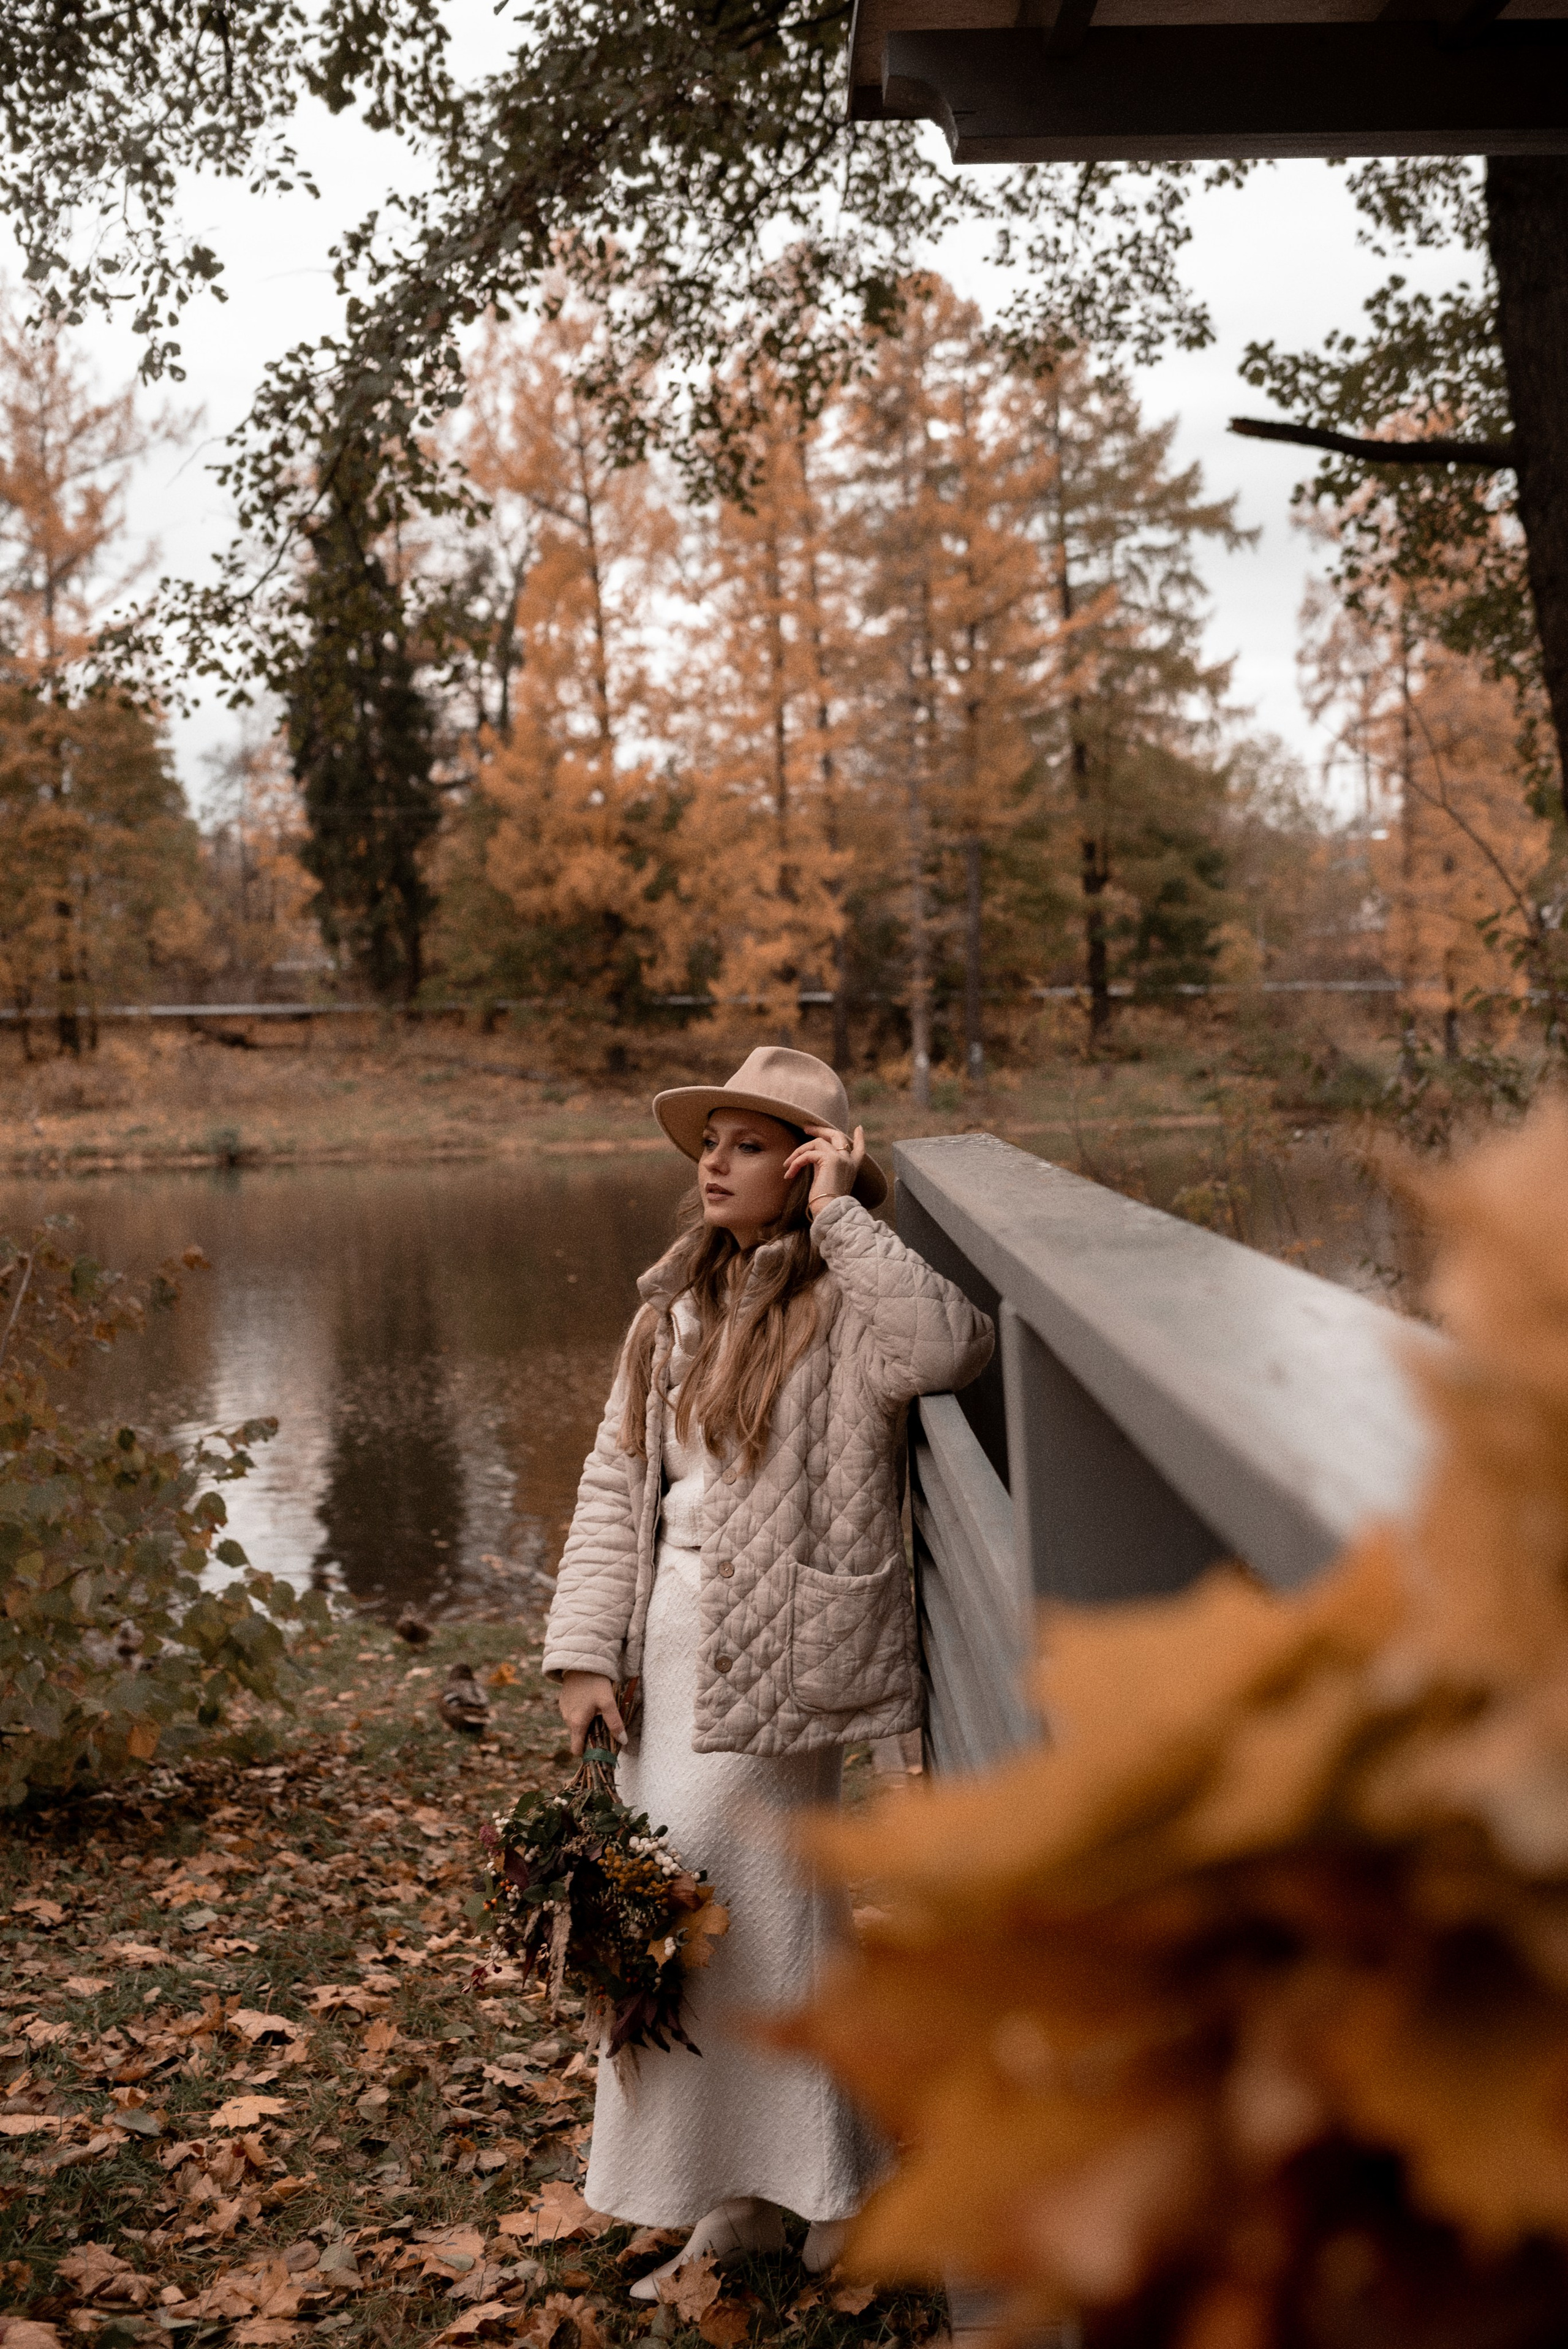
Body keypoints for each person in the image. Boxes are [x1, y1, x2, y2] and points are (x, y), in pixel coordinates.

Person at [542, 1046, 994, 2294]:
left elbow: (950, 1346)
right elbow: (614, 1482)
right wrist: (584, 1651)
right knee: (690, 1918)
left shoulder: (846, 1298)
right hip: (667, 1644)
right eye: (711, 1142)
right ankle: (741, 2201)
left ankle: (829, 2191)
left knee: (753, 1917)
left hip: (786, 1652)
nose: (715, 1163)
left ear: (805, 1165)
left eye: (750, 1145)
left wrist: (840, 1214)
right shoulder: (669, 1310)